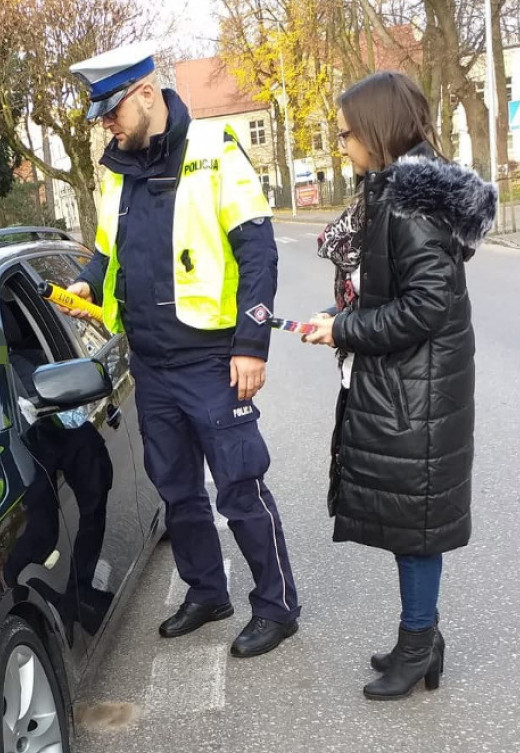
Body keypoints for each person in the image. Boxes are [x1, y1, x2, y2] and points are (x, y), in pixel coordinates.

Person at [63, 42, 301, 657]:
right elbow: (105, 252)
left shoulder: (216, 152)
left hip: (213, 360)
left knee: (240, 488)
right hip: (151, 364)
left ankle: (277, 607)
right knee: (177, 491)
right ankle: (206, 592)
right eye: (101, 118)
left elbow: (258, 254)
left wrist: (252, 344)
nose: (107, 126)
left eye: (112, 111)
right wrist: (88, 280)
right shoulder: (117, 173)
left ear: (146, 94)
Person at [301, 71, 496, 698]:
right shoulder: (397, 195)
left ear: (377, 132)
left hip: (419, 388)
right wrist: (341, 320)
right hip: (412, 383)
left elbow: (425, 307)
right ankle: (421, 639)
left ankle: (420, 645)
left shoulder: (408, 207)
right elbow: (402, 294)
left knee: (414, 524)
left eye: (347, 133)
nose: (342, 144)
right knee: (408, 519)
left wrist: (345, 331)